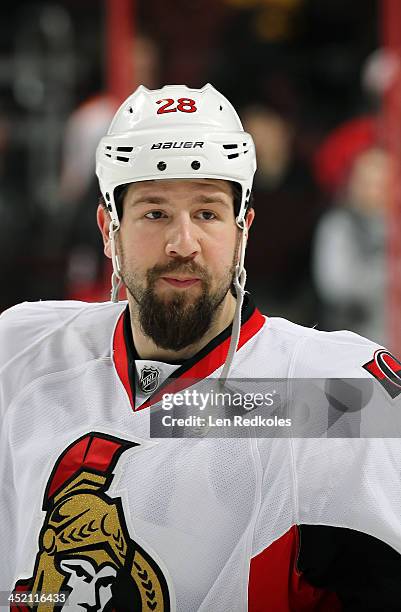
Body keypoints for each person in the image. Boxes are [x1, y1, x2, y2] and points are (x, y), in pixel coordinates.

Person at [1, 84, 401, 612]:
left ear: (243, 231)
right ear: (108, 229)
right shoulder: (24, 351)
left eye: (208, 214)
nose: (183, 244)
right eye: (154, 213)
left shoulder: (335, 391)